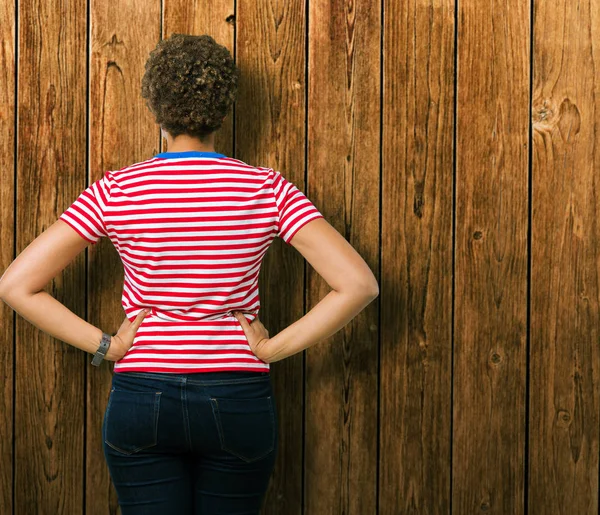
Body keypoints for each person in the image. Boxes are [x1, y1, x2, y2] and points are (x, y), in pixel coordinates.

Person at [0, 33, 379, 514]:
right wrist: (270, 348)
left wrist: (107, 346)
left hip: (142, 392)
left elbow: (16, 285)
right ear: (222, 109)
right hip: (237, 391)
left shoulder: (117, 190)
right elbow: (359, 284)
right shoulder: (266, 187)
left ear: (156, 108)